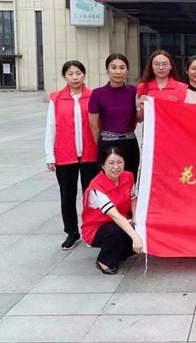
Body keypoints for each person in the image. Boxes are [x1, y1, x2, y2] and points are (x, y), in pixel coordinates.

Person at [45, 60, 98, 250]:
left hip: (90, 154)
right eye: (70, 74)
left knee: (91, 196)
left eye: (78, 73)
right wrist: (49, 155)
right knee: (67, 195)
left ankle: (91, 231)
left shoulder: (93, 96)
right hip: (65, 154)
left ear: (84, 75)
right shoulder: (57, 98)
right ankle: (71, 232)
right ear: (64, 76)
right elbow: (51, 128)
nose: (75, 77)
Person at [81, 147, 143, 275]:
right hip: (98, 228)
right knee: (119, 232)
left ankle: (118, 252)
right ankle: (104, 261)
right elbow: (115, 216)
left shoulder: (128, 176)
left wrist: (136, 217)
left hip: (122, 220)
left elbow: (133, 198)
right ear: (103, 165)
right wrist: (135, 236)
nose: (116, 167)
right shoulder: (96, 188)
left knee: (133, 229)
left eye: (120, 162)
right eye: (111, 163)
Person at [88, 54, 140, 179]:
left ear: (127, 70)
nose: (118, 72)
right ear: (107, 70)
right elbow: (94, 125)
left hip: (130, 144)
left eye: (122, 68)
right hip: (107, 145)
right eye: (113, 67)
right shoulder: (98, 94)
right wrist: (101, 145)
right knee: (108, 182)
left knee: (129, 181)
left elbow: (137, 119)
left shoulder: (133, 91)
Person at [136, 50, 188, 119]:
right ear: (151, 66)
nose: (161, 68)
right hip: (151, 126)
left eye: (165, 64)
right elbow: (139, 119)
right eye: (156, 64)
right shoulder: (142, 87)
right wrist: (142, 109)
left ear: (171, 66)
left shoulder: (183, 88)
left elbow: (186, 115)